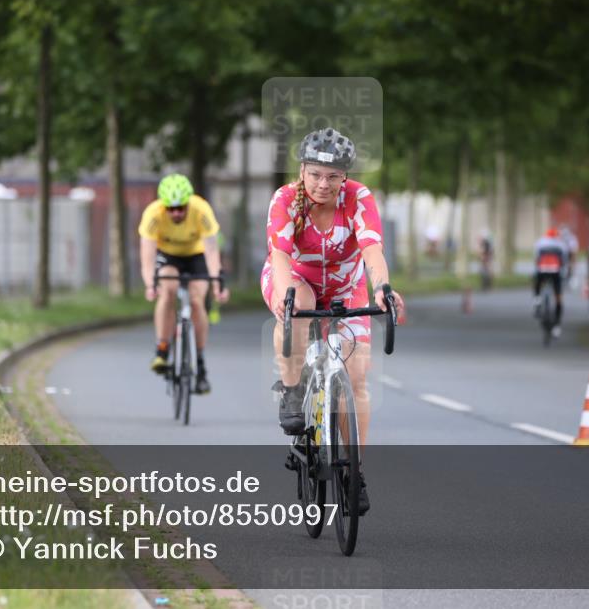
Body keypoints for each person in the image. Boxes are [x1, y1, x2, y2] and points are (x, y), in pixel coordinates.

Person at [262, 126, 406, 515]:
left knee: (357, 375)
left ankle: (354, 472)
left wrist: (383, 288)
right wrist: (283, 296)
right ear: (302, 170)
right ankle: (293, 390)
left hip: (347, 286)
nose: (322, 184)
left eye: (332, 176)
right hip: (296, 277)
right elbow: (279, 257)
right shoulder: (287, 199)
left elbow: (372, 250)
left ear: (345, 176)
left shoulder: (359, 198)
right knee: (299, 306)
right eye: (314, 174)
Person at [139, 173, 229, 395]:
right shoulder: (152, 214)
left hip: (197, 256)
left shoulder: (201, 209)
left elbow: (211, 249)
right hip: (168, 256)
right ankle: (162, 349)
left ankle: (199, 363)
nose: (176, 213)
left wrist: (217, 282)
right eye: (171, 209)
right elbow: (148, 256)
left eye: (181, 208)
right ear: (164, 206)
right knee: (167, 292)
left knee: (197, 301)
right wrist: (150, 284)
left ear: (189, 203)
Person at [532, 227, 568, 337]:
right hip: (556, 272)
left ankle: (537, 300)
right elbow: (564, 260)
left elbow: (536, 258)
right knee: (558, 298)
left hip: (542, 271)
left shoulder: (539, 242)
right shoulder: (561, 244)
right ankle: (557, 326)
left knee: (537, 283)